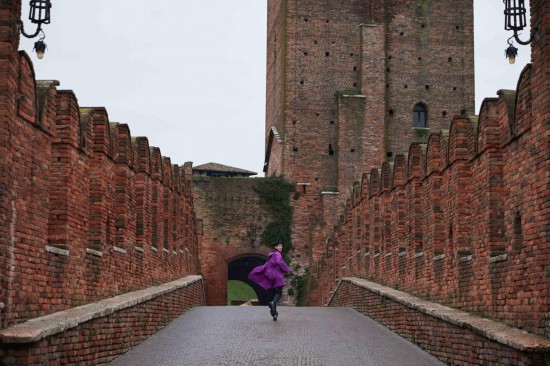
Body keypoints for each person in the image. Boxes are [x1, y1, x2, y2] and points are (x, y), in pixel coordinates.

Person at [248, 241, 290, 320]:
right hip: (276, 275)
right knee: (279, 292)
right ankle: (273, 303)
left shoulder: (271, 255)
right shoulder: (277, 254)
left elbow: (266, 266)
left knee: (273, 294)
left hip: (270, 276)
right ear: (275, 247)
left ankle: (274, 313)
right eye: (279, 246)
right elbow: (279, 262)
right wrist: (287, 269)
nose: (280, 247)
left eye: (281, 245)